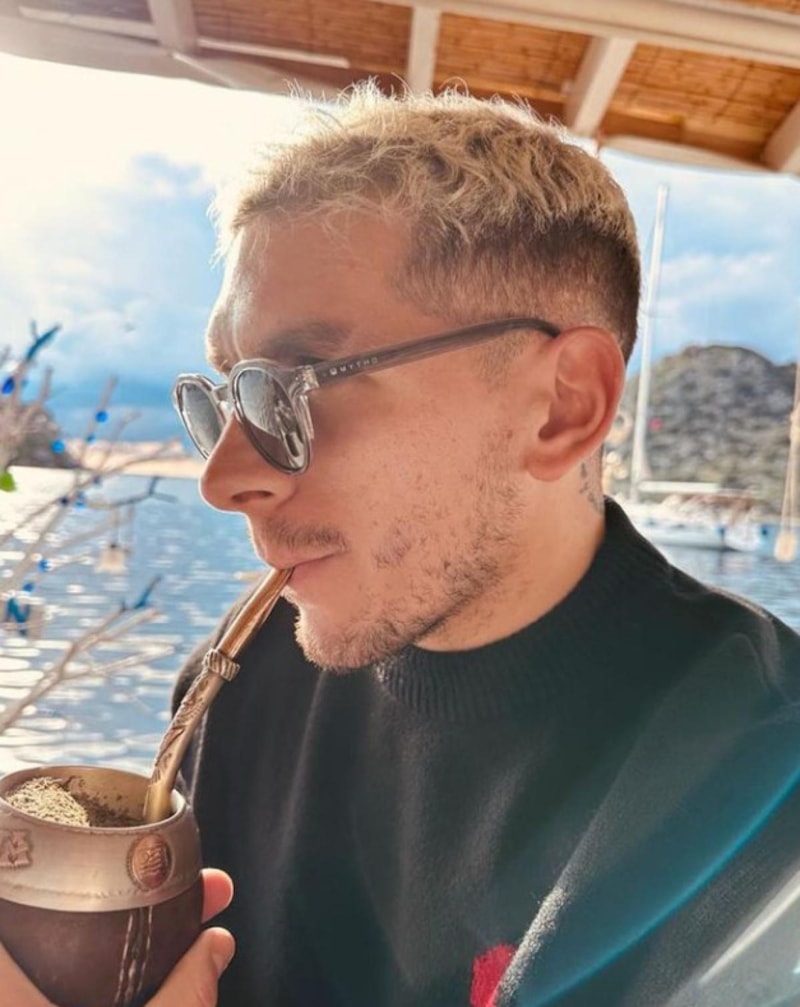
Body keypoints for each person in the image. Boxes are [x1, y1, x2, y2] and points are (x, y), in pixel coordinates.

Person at [5, 85, 800, 1007]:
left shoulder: (762, 773)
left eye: (295, 385)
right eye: (229, 396)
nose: (223, 480)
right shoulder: (240, 681)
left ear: (562, 406)